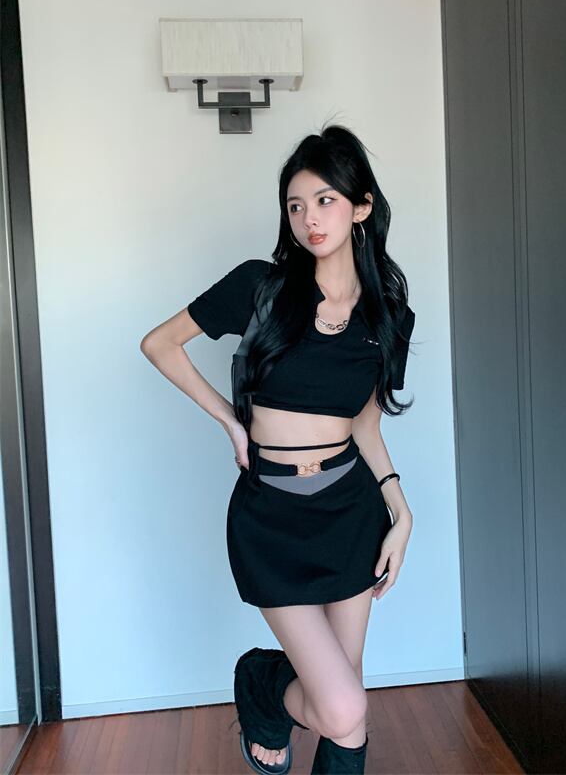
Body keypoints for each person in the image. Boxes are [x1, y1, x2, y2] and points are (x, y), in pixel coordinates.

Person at [141, 124, 416, 775]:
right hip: (272, 519)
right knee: (343, 706)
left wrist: (401, 510)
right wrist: (230, 422)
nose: (308, 218)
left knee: (346, 710)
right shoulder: (259, 287)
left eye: (325, 200)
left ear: (361, 207)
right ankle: (263, 683)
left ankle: (274, 696)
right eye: (295, 205)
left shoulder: (389, 316)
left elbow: (365, 424)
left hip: (350, 513)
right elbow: (160, 344)